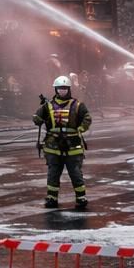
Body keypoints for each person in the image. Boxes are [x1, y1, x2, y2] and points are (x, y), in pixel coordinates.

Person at [34, 75, 91, 209]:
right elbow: (36, 119)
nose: (62, 91)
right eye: (60, 88)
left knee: (75, 172)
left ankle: (81, 198)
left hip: (73, 145)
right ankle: (51, 198)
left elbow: (87, 118)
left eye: (65, 88)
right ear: (56, 89)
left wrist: (81, 129)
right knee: (53, 173)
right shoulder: (48, 106)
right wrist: (41, 113)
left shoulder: (78, 105)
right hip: (53, 146)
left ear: (69, 89)